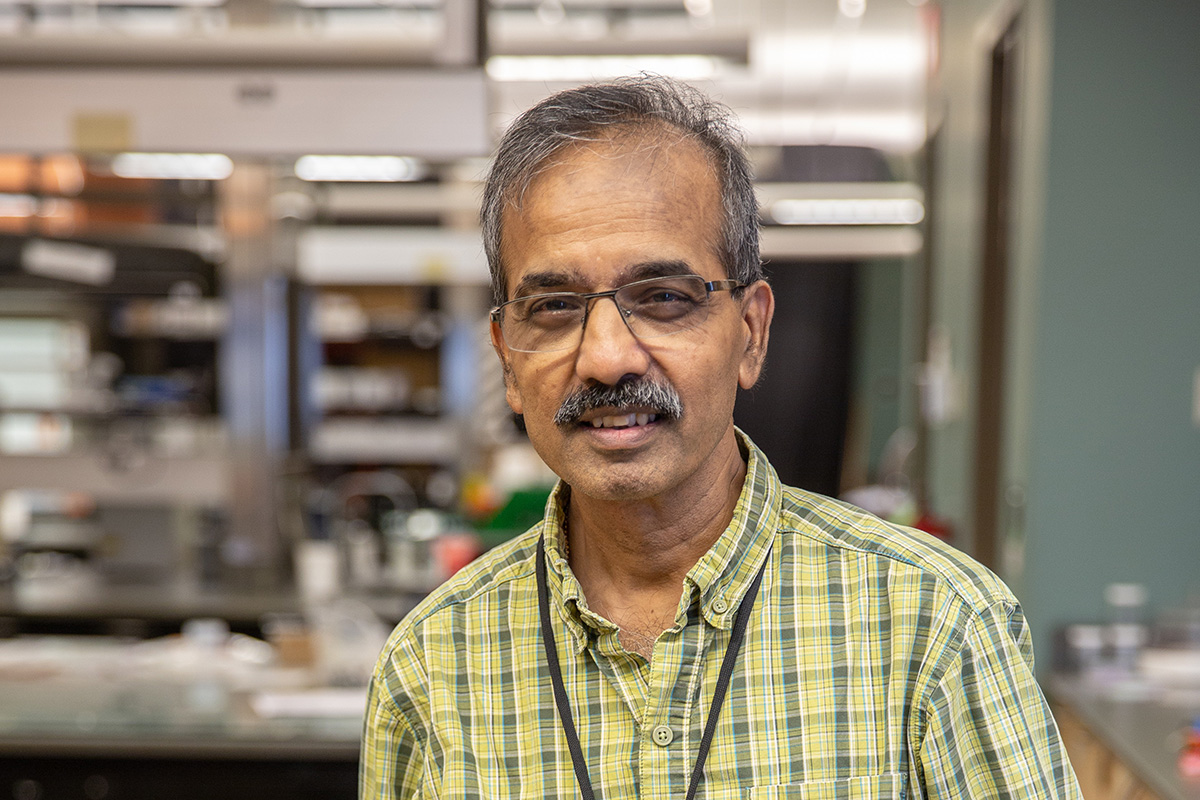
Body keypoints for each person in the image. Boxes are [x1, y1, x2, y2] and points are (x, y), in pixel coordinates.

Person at [360, 75, 1081, 799]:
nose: (608, 356)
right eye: (553, 306)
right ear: (507, 359)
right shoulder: (432, 665)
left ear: (751, 332)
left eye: (664, 298)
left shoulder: (935, 626)